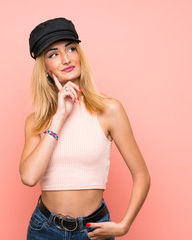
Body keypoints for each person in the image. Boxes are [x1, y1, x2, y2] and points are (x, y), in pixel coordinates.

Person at [20, 17, 151, 240]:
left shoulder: (109, 110)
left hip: (93, 231)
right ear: (44, 67)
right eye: (53, 54)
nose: (65, 59)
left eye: (71, 49)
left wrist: (124, 225)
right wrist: (59, 117)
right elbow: (30, 177)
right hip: (44, 230)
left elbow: (142, 175)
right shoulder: (37, 120)